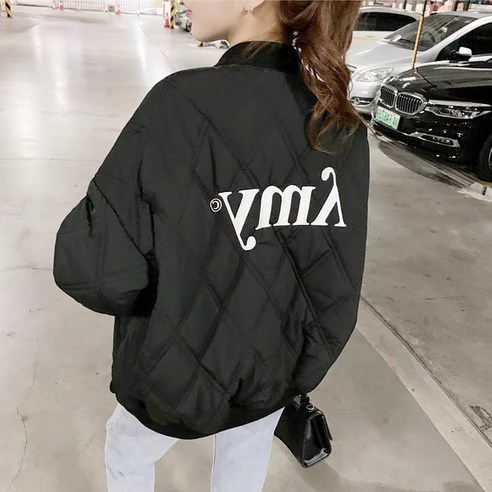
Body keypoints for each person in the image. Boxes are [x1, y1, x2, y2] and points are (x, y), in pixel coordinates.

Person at [52, 0, 370, 491]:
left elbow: (97, 270)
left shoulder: (180, 104)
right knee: (245, 457)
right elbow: (336, 286)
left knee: (127, 448)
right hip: (273, 371)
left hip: (176, 365)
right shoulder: (339, 126)